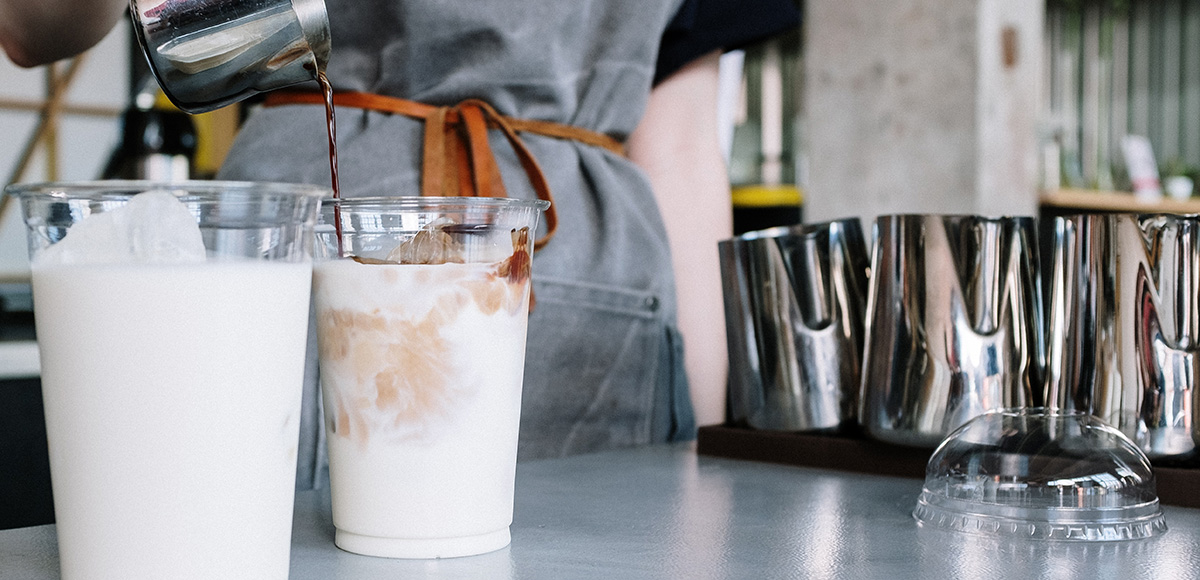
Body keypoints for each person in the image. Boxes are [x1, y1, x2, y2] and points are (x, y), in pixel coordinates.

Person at [1, 0, 800, 486]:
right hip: (297, 253)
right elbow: (30, 27)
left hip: (594, 288)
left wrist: (706, 460)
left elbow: (684, 146)